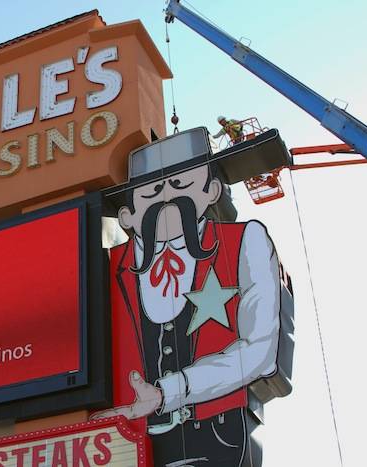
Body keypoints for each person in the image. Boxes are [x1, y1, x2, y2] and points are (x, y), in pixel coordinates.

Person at [94, 128, 286, 467]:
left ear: (211, 191)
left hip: (218, 436)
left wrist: (172, 390)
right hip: (125, 444)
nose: (167, 197)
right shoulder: (107, 267)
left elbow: (260, 350)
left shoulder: (246, 242)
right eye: (152, 191)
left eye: (181, 184)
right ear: (127, 215)